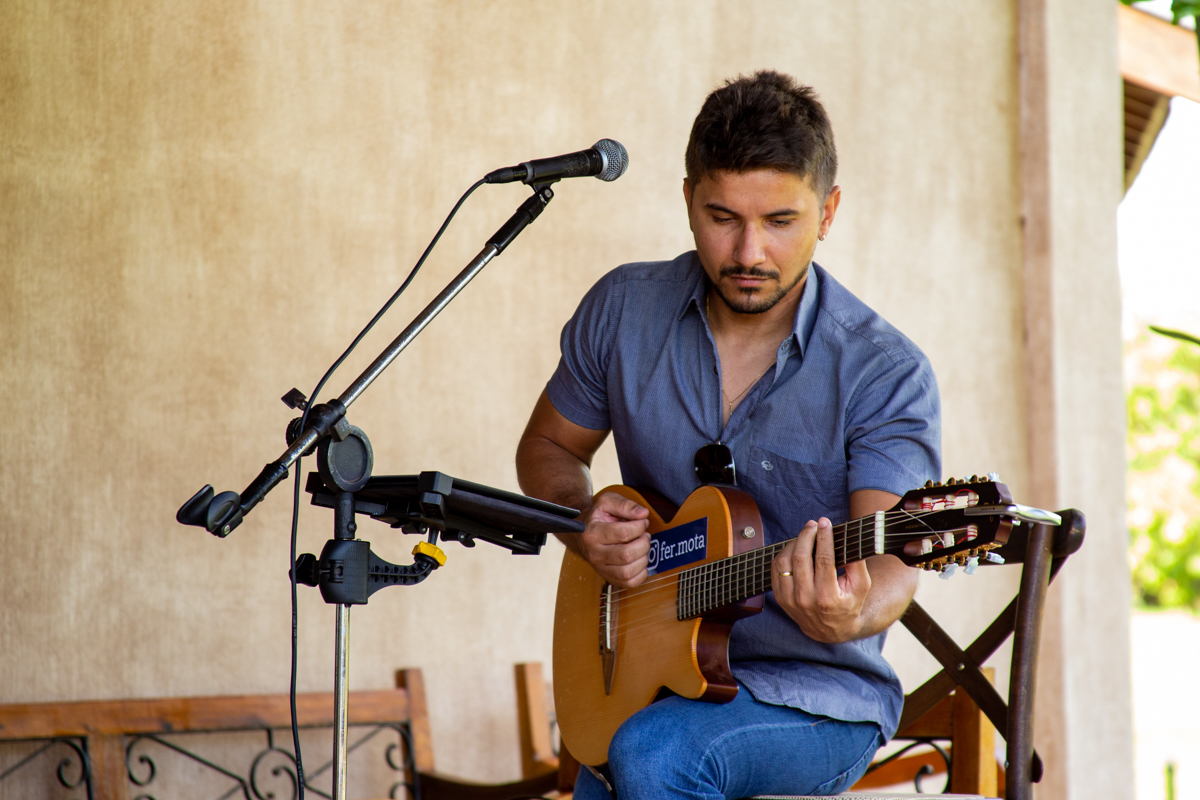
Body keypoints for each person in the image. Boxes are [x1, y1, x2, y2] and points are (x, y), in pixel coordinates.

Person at [515, 70, 940, 799]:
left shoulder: (884, 370)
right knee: (621, 759)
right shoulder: (623, 310)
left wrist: (852, 612)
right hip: (648, 668)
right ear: (687, 201)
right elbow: (548, 450)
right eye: (722, 217)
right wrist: (585, 520)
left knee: (650, 754)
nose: (749, 253)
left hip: (815, 699)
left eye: (780, 221)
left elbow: (892, 558)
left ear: (828, 211)